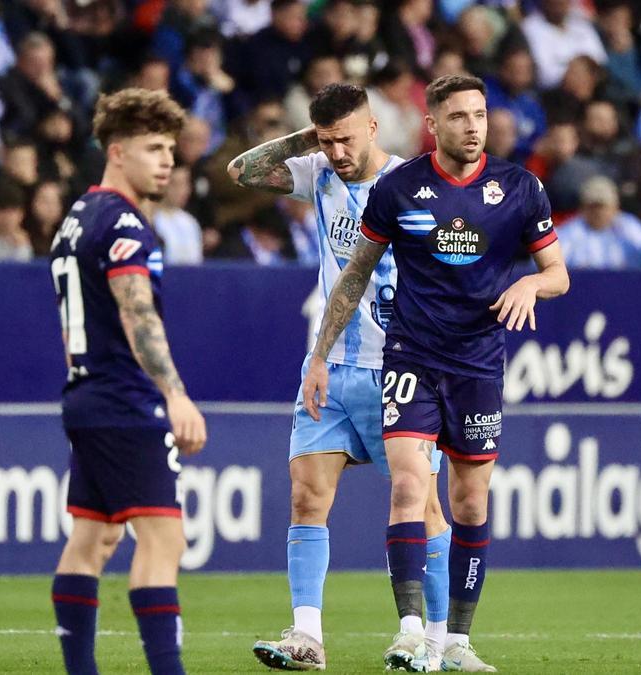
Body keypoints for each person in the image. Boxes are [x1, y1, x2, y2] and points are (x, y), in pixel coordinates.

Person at [302, 75, 569, 672]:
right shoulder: (399, 188)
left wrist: (530, 281)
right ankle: (410, 630)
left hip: (478, 364)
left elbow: (558, 273)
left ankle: (457, 642)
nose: (474, 127)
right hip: (412, 357)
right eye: (459, 117)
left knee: (470, 503)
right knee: (408, 485)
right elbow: (354, 275)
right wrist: (320, 353)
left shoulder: (520, 189)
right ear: (433, 124)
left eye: (480, 115)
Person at [227, 82, 449, 672]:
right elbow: (242, 171)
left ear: (374, 128)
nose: (337, 152)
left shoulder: (412, 184)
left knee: (422, 505)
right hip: (329, 367)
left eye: (346, 138)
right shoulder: (320, 171)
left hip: (400, 369)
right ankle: (307, 637)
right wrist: (311, 138)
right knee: (307, 497)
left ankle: (437, 638)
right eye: (326, 141)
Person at [48, 88, 206, 675]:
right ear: (117, 152)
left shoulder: (75, 219)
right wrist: (174, 394)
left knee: (91, 541)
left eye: (170, 148)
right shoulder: (124, 225)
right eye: (153, 148)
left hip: (86, 394)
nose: (167, 160)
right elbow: (137, 315)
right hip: (123, 400)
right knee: (164, 542)